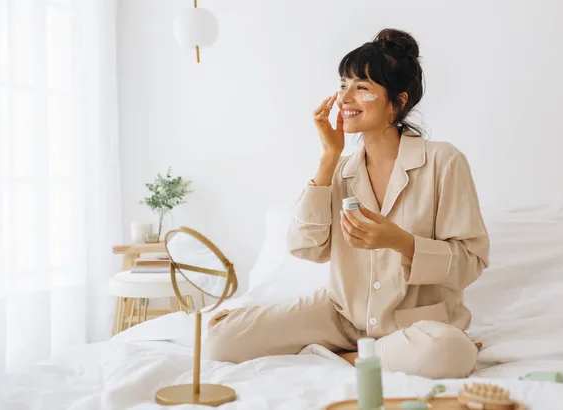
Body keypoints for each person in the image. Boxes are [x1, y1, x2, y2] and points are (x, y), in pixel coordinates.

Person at [206, 28, 490, 379]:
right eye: (343, 85)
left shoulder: (443, 161)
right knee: (221, 337)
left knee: (451, 352)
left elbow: (470, 263)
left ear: (398, 102)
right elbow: (305, 247)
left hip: (412, 326)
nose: (345, 98)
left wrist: (399, 242)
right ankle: (366, 355)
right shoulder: (341, 170)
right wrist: (328, 158)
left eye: (363, 87)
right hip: (341, 315)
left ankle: (351, 357)